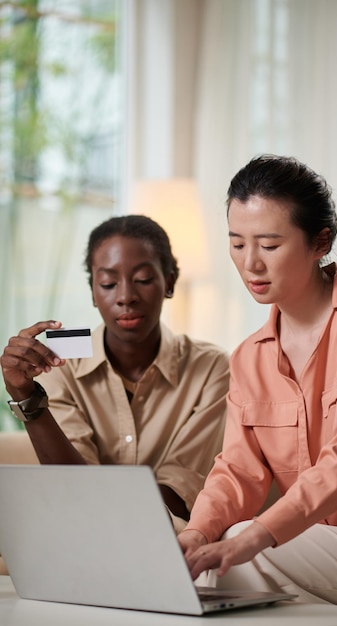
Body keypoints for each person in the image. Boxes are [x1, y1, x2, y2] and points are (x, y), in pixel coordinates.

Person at [178, 155, 337, 617]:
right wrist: (193, 534)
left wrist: (251, 535)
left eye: (269, 244)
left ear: (319, 242)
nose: (251, 263)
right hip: (310, 546)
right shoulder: (250, 355)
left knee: (237, 553)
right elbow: (237, 471)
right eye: (237, 243)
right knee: (206, 555)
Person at [1, 214, 229, 533]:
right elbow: (73, 486)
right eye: (108, 283)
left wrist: (109, 520)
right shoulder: (57, 361)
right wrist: (24, 395)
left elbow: (180, 492)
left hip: (165, 536)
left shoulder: (213, 368)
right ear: (93, 292)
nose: (125, 296)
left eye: (144, 279)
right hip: (78, 531)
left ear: (170, 281)